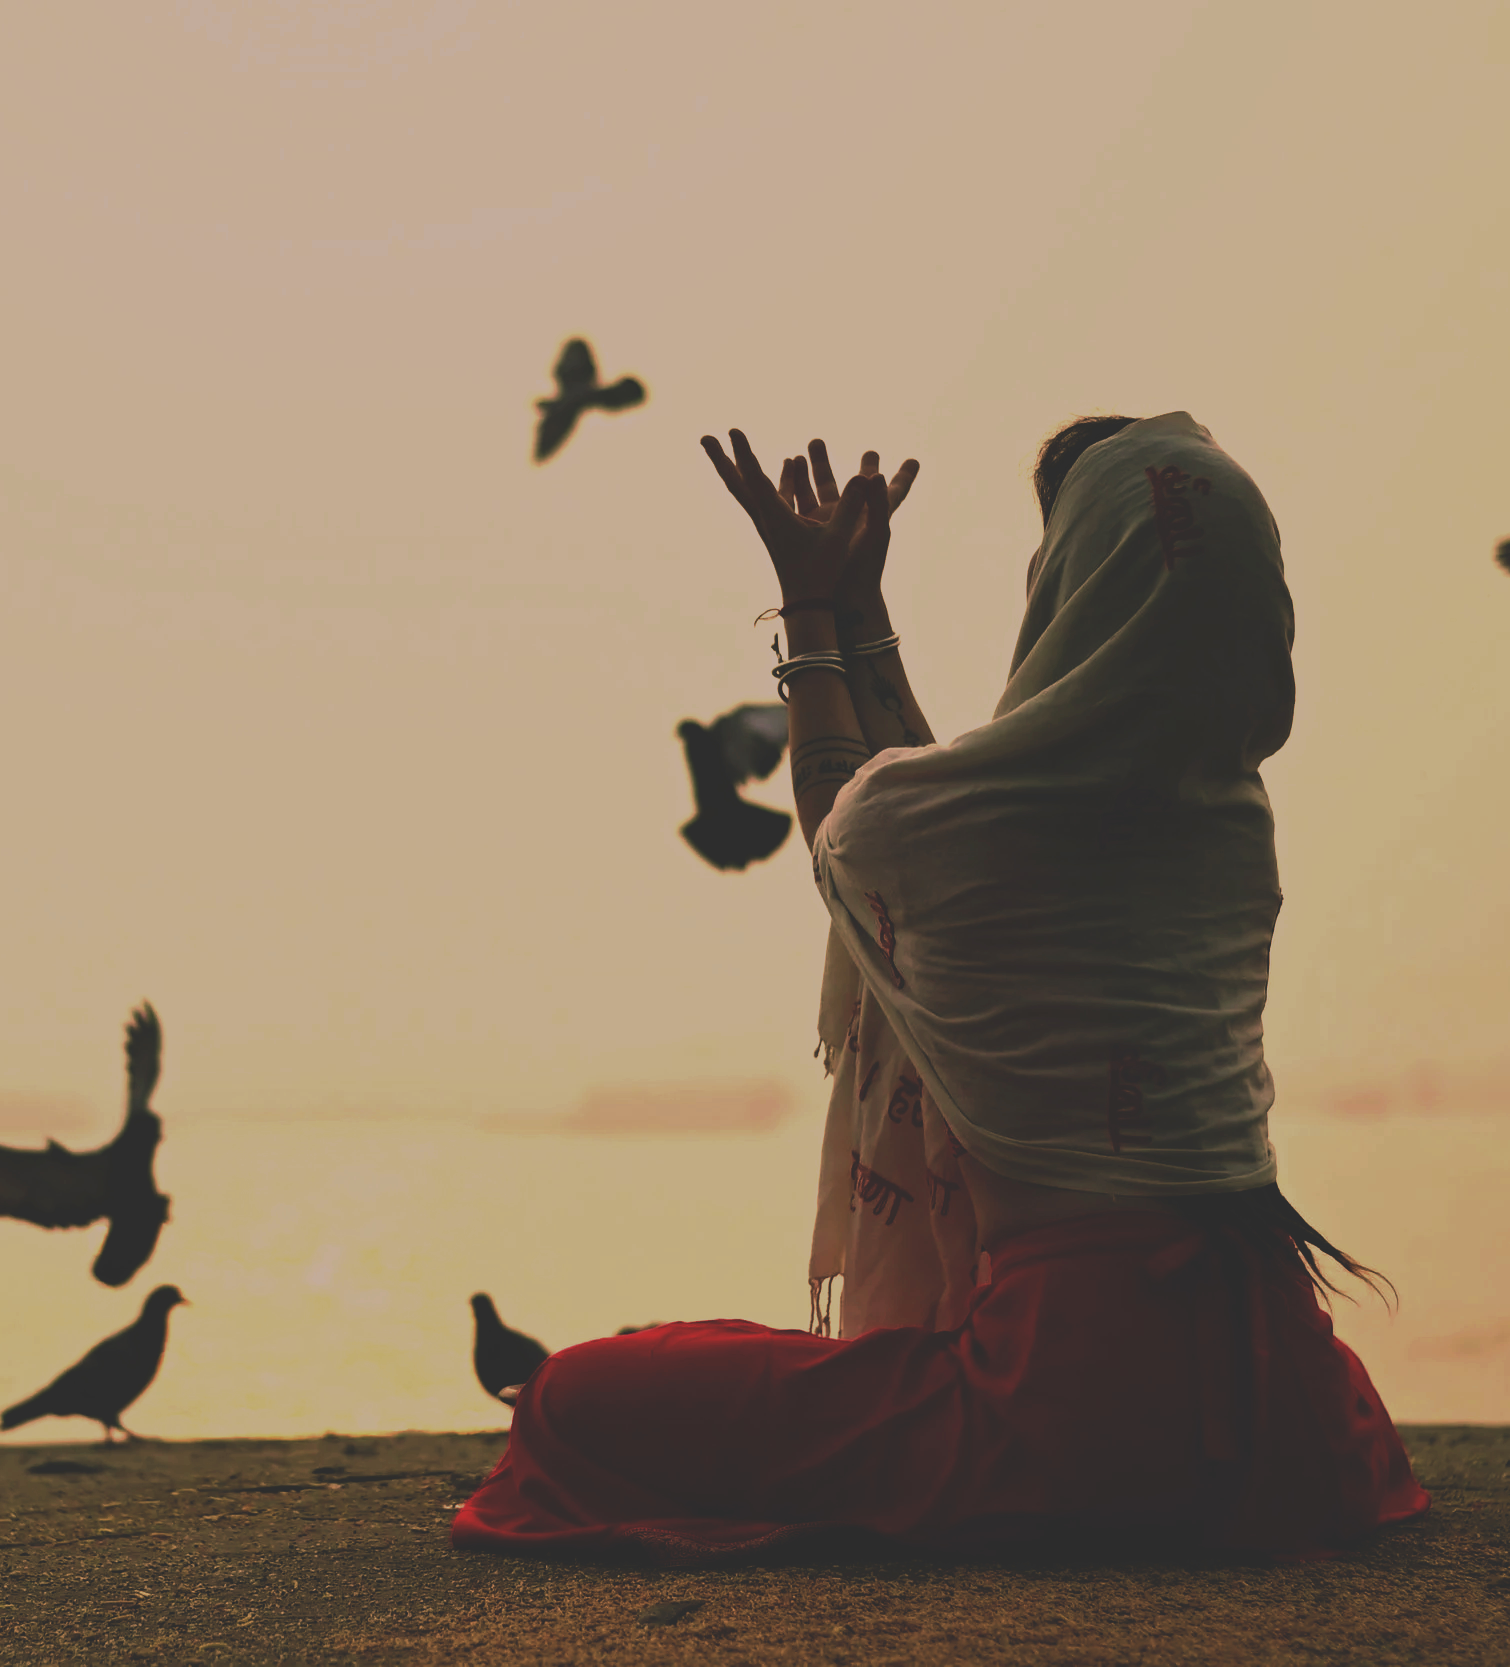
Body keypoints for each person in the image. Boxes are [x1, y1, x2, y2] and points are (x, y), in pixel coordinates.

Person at [450, 414, 1428, 1564]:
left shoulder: (980, 835)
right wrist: (862, 618)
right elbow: (931, 825)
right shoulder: (1226, 824)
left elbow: (853, 826)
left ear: (1069, 581)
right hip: (1289, 1407)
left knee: (579, 1393)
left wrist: (812, 607)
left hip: (1070, 1414)